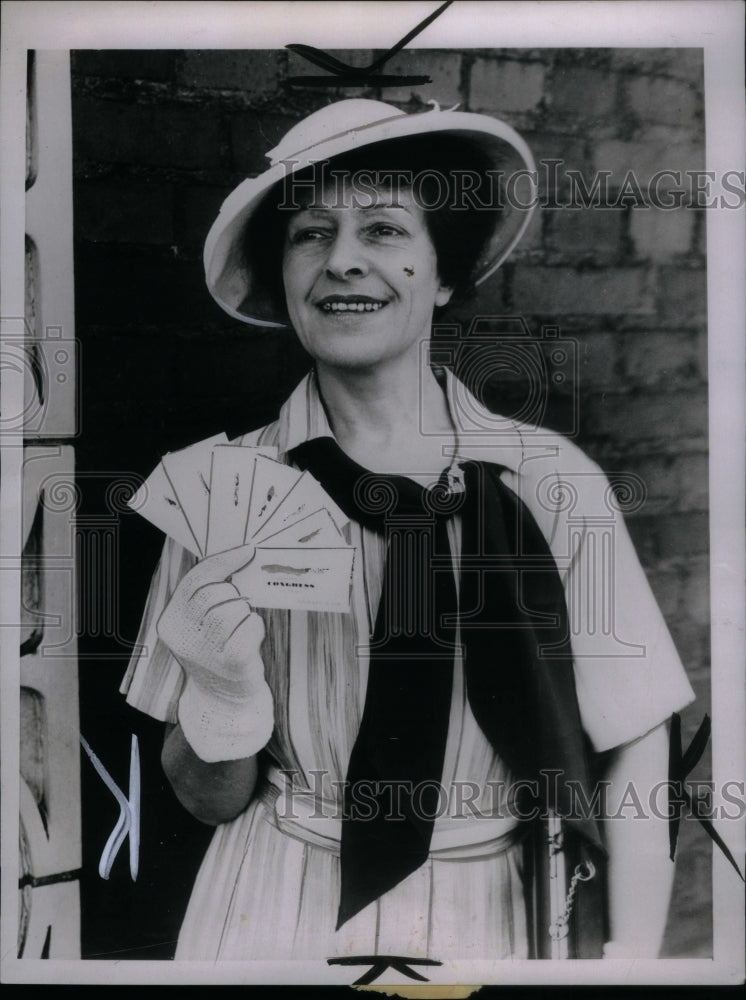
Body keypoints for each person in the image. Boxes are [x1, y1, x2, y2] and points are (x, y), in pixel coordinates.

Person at [121, 99, 695, 967]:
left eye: (385, 229)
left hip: (489, 909)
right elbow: (205, 798)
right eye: (311, 233)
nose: (343, 261)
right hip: (273, 905)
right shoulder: (225, 490)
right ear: (283, 273)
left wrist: (633, 960)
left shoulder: (549, 481)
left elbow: (634, 744)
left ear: (444, 272)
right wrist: (224, 695)